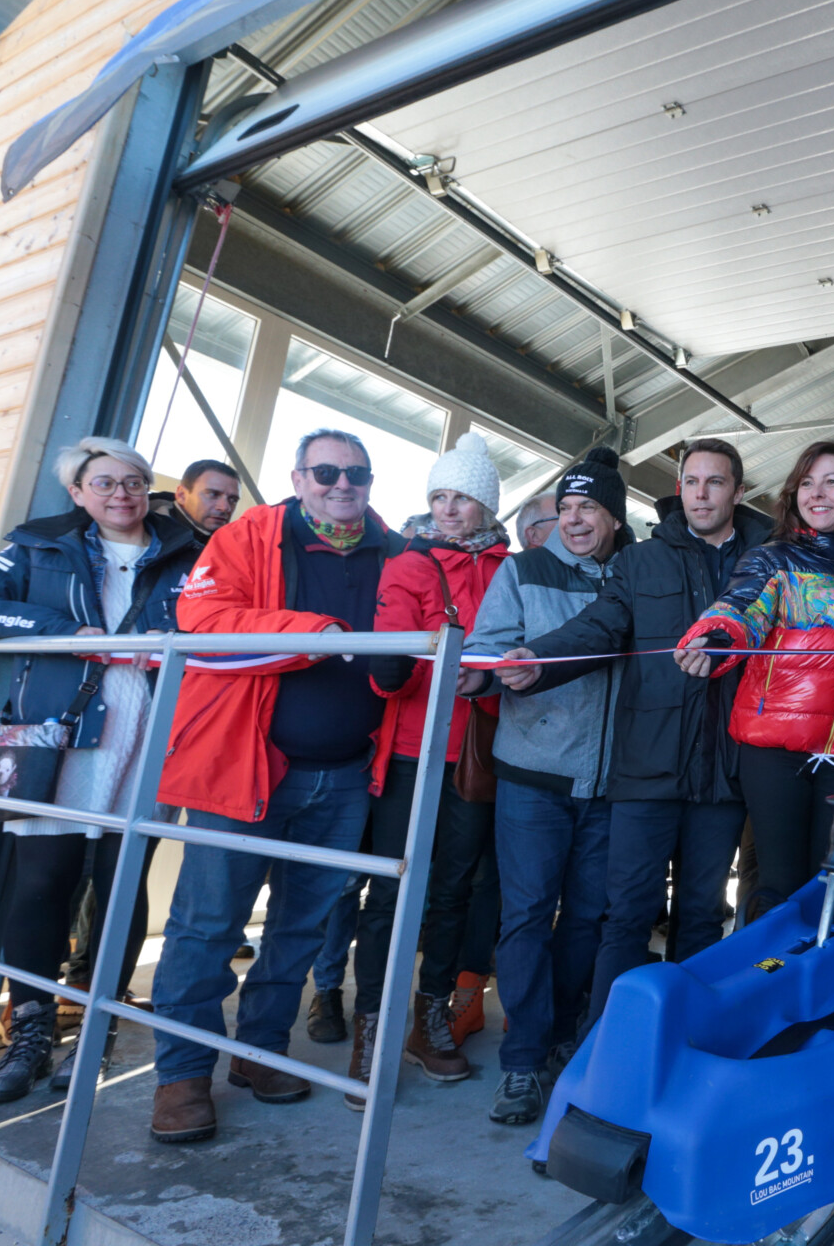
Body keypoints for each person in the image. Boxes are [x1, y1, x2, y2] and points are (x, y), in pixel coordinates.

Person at [148, 429, 405, 1144]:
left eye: (357, 471)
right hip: (246, 764)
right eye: (326, 471)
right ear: (298, 476)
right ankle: (181, 1076)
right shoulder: (250, 536)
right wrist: (316, 632)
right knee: (207, 927)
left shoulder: (394, 551)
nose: (341, 483)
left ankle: (257, 1055)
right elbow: (202, 618)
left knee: (298, 932)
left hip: (349, 774)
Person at [499, 439, 770, 1101]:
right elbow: (599, 626)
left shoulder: (766, 565)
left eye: (716, 482)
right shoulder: (642, 561)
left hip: (725, 771)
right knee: (625, 917)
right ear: (679, 489)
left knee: (702, 917)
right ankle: (603, 1063)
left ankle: (684, 1053)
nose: (702, 493)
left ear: (737, 491)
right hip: (645, 766)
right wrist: (542, 659)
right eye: (692, 481)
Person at [0, 438, 203, 1104]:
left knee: (122, 882)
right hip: (58, 727)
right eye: (106, 482)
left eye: (135, 481)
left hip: (150, 729)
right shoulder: (37, 544)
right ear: (79, 493)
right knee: (42, 881)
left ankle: (97, 1028)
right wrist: (61, 628)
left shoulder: (188, 550)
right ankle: (30, 1031)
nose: (123, 493)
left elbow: (212, 627)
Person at [338, 433, 513, 1105]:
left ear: (485, 507)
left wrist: (484, 681)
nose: (446, 510)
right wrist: (404, 667)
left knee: (453, 891)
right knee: (388, 893)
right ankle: (371, 1026)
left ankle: (430, 1014)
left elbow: (514, 660)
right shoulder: (407, 566)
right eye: (438, 496)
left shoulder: (507, 570)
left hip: (474, 755)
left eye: (461, 499)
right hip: (411, 752)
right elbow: (391, 673)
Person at [462, 447, 627, 1125]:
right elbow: (488, 644)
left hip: (612, 781)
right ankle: (523, 1062)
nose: (575, 519)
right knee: (528, 915)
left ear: (614, 516)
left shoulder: (639, 575)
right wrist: (496, 665)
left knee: (588, 919)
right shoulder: (523, 569)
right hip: (534, 774)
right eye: (565, 507)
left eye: (589, 507)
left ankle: (563, 1038)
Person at [674, 441, 834, 909]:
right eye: (806, 483)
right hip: (776, 751)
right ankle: (766, 977)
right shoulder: (773, 559)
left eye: (832, 481)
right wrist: (715, 639)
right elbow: (742, 609)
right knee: (777, 887)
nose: (816, 493)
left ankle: (819, 981)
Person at [151, 459, 241, 538]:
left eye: (233, 499)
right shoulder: (144, 536)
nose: (225, 507)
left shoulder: (232, 548)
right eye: (213, 494)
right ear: (181, 495)